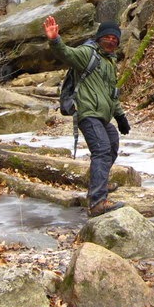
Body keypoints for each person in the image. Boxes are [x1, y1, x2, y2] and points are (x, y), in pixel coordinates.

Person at [43, 16, 131, 217]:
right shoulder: (87, 53)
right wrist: (55, 39)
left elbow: (112, 95)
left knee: (112, 143)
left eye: (114, 39)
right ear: (99, 38)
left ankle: (99, 186)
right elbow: (66, 53)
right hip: (87, 113)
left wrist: (121, 117)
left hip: (102, 115)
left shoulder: (109, 63)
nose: (110, 41)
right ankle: (98, 203)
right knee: (101, 149)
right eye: (107, 37)